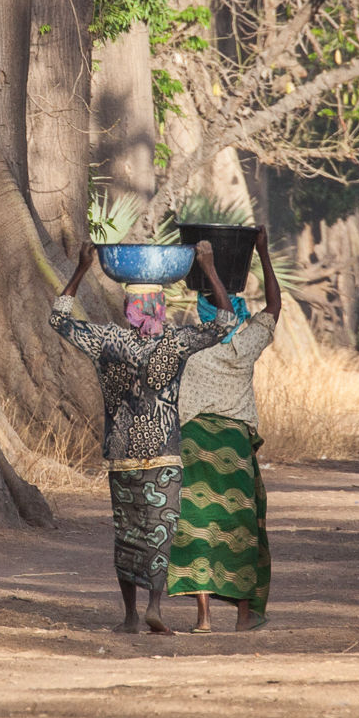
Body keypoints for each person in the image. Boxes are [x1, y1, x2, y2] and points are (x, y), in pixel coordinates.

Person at [52, 239, 234, 632]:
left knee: (127, 533)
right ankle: (155, 605)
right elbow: (225, 322)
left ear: (127, 309)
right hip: (164, 456)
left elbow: (60, 319)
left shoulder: (108, 342)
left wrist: (83, 269)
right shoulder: (175, 342)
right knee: (160, 530)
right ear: (161, 308)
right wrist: (209, 266)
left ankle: (131, 615)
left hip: (121, 455)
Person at [168, 228, 284, 631]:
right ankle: (244, 614)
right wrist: (263, 255)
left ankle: (202, 617)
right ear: (237, 310)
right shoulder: (247, 343)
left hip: (194, 443)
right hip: (233, 448)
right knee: (239, 529)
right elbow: (274, 304)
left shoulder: (189, 343)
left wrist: (202, 267)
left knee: (196, 526)